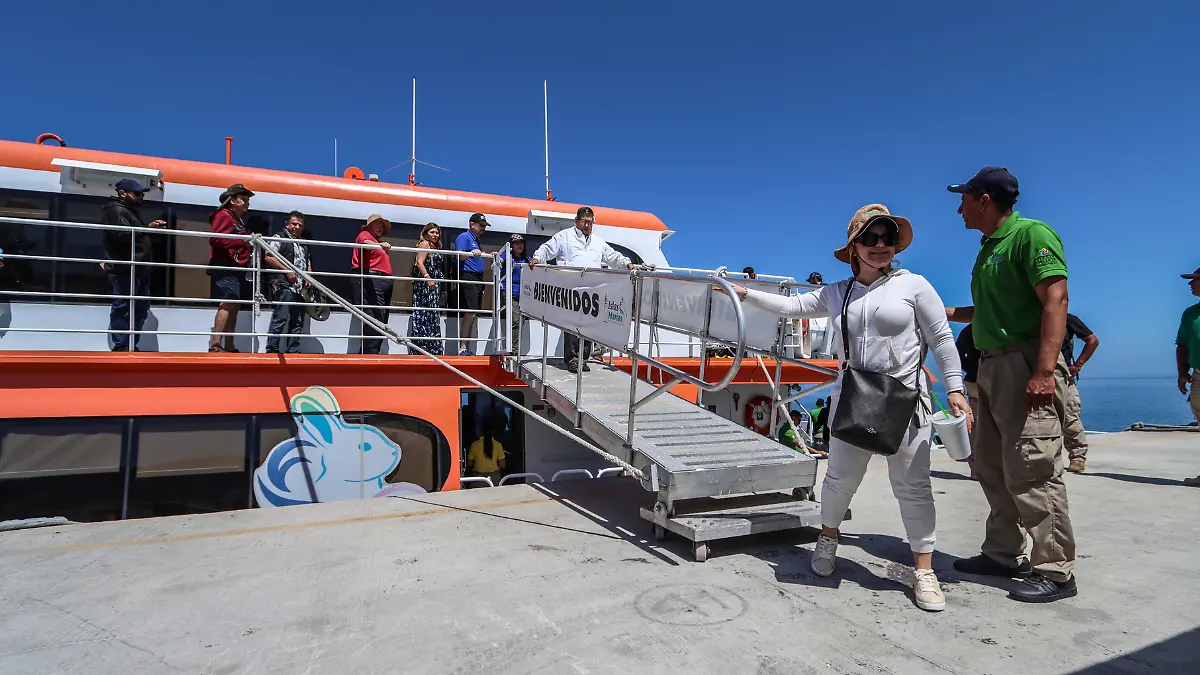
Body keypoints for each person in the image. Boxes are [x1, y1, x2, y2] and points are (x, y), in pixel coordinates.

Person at [727, 204, 971, 613]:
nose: (880, 245)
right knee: (840, 479)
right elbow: (793, 307)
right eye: (870, 238)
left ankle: (924, 570)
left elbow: (942, 339)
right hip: (854, 398)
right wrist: (746, 294)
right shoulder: (838, 292)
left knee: (913, 486)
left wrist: (956, 389)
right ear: (854, 246)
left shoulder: (914, 285)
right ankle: (828, 537)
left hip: (905, 402)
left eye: (887, 237)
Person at [944, 166, 1077, 603]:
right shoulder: (989, 248)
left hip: (1024, 362)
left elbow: (1056, 300)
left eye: (964, 199)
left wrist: (1044, 371)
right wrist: (941, 312)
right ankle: (1003, 552)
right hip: (991, 366)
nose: (959, 208)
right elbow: (987, 310)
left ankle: (1056, 570)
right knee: (991, 466)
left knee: (1033, 468)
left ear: (984, 200)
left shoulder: (1031, 235)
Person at [530, 206, 638, 373]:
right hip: (570, 288)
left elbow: (612, 256)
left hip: (591, 290)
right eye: (584, 221)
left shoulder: (598, 241)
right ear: (577, 221)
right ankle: (572, 359)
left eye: (590, 221)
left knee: (589, 325)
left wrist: (626, 263)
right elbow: (547, 248)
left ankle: (583, 359)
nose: (587, 225)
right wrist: (538, 257)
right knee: (571, 324)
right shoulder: (564, 236)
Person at [101, 178, 166, 352]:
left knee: (140, 307)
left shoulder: (127, 210)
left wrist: (147, 229)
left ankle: (129, 343)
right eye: (136, 193)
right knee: (124, 306)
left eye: (142, 194)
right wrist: (148, 228)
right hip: (125, 267)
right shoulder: (116, 210)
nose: (141, 197)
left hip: (137, 268)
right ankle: (122, 345)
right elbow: (120, 235)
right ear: (122, 193)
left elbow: (131, 235)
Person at [208, 184, 254, 353]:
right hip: (226, 266)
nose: (247, 202)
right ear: (232, 201)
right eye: (243, 198)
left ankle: (229, 344)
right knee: (228, 302)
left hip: (236, 268)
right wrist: (243, 240)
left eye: (247, 199)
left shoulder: (236, 219)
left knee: (234, 305)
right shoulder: (224, 215)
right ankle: (216, 344)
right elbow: (216, 239)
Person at [263, 211, 311, 354]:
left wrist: (308, 277)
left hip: (300, 287)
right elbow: (269, 257)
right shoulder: (279, 238)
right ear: (286, 224)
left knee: (298, 320)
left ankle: (293, 350)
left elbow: (307, 262)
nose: (297, 227)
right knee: (281, 316)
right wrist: (287, 271)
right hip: (283, 283)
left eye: (300, 225)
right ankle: (272, 349)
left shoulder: (303, 243)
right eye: (294, 224)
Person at [351, 214, 394, 355]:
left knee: (382, 318)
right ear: (369, 226)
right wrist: (380, 245)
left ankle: (372, 351)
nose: (380, 228)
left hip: (382, 281)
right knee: (375, 316)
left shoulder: (376, 241)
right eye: (377, 225)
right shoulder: (365, 235)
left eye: (382, 226)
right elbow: (364, 243)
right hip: (373, 279)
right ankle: (369, 353)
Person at [1061, 313, 1099, 473]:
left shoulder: (1067, 319)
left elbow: (1092, 340)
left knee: (1070, 416)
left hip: (1063, 375)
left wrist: (1077, 365)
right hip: (1033, 373)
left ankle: (1077, 457)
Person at [1178, 267, 1200, 486]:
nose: (1190, 284)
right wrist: (1182, 373)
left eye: (1195, 280)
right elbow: (1182, 344)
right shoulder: (1190, 313)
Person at [454, 213, 489, 356]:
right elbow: (459, 255)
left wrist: (484, 254)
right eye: (481, 225)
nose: (483, 229)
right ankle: (463, 347)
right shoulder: (464, 237)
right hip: (469, 276)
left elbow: (474, 254)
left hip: (477, 278)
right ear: (472, 224)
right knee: (470, 312)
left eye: (484, 226)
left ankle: (465, 347)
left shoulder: (475, 240)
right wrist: (472, 253)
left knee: (473, 313)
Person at [409, 222, 446, 356]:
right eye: (432, 232)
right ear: (425, 233)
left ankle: (432, 348)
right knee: (424, 315)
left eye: (437, 232)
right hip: (425, 287)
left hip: (433, 287)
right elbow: (419, 262)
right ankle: (422, 348)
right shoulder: (424, 244)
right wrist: (428, 278)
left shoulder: (435, 246)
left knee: (432, 315)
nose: (435, 235)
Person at [955, 324, 982, 481]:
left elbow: (957, 354)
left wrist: (969, 368)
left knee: (976, 424)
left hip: (974, 379)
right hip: (988, 380)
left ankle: (976, 469)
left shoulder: (969, 330)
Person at [498, 234, 530, 354]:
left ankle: (514, 348)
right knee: (516, 319)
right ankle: (514, 350)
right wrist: (497, 259)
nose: (519, 245)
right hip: (509, 292)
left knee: (520, 321)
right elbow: (499, 260)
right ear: (511, 245)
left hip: (524, 294)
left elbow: (537, 265)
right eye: (516, 243)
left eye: (521, 243)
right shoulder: (507, 256)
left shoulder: (527, 259)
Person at [466, 418, 507, 486]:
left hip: (479, 478)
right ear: (493, 432)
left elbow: (469, 463)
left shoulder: (474, 445)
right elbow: (502, 465)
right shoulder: (498, 445)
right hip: (494, 478)